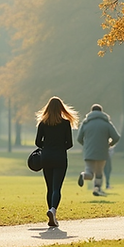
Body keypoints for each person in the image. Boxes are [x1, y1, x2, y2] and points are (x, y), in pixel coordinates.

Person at [36, 97, 78, 227]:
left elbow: (37, 142)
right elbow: (70, 144)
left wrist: (47, 147)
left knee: (49, 188)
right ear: (61, 108)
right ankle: (53, 210)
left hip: (46, 157)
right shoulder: (65, 123)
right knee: (56, 188)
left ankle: (51, 213)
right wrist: (59, 148)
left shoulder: (43, 123)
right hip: (60, 157)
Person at [76, 104, 120, 196]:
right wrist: (109, 144)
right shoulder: (106, 123)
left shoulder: (85, 122)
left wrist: (86, 146)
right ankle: (97, 188)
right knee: (99, 172)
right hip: (102, 151)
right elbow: (116, 137)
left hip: (89, 152)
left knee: (89, 171)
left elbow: (79, 138)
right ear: (101, 112)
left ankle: (83, 175)